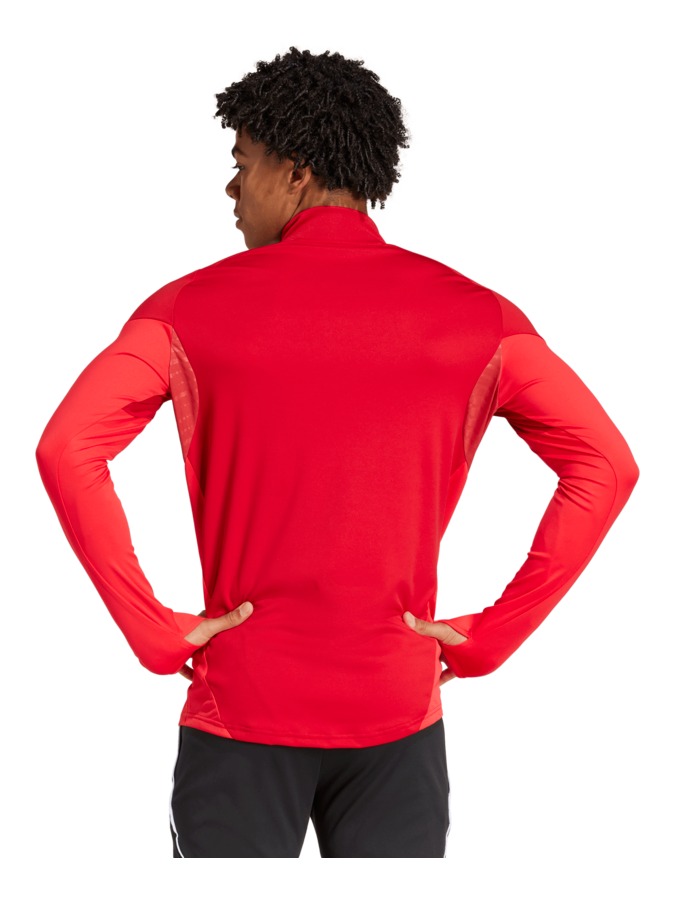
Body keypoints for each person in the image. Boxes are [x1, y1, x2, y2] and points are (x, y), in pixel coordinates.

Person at [34, 46, 640, 858]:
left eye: (240, 163)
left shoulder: (185, 308)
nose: (231, 188)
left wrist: (151, 629)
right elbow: (605, 464)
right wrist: (493, 636)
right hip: (398, 718)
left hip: (241, 712)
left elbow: (67, 446)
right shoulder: (479, 316)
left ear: (294, 172)